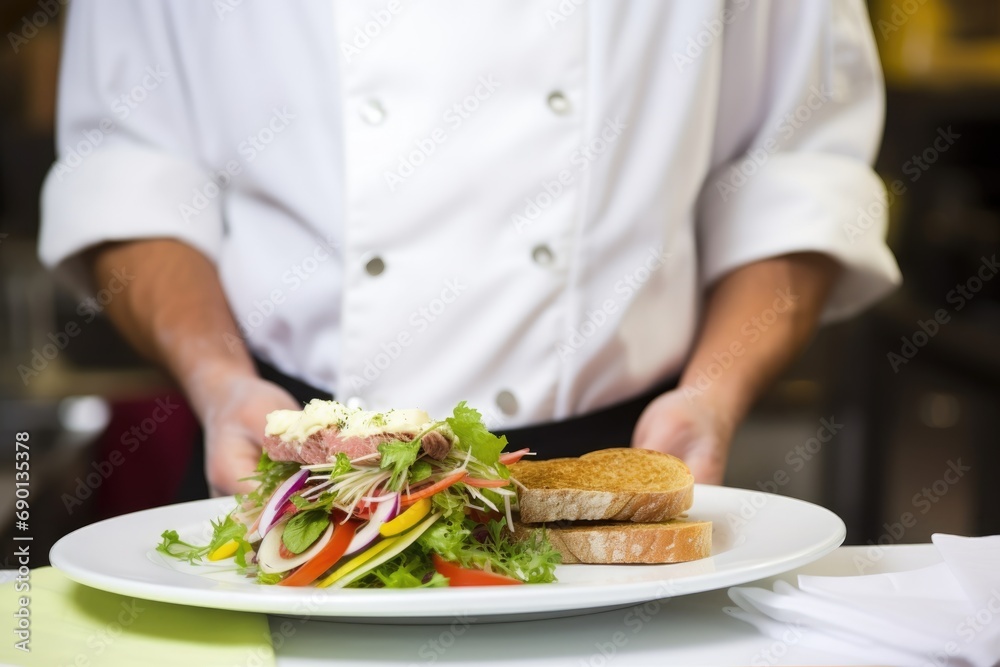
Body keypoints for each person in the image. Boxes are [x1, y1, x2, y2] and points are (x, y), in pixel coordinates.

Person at [39, 1, 900, 496]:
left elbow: (795, 170)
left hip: (615, 466)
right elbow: (128, 166)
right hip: (285, 460)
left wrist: (713, 396)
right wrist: (219, 381)